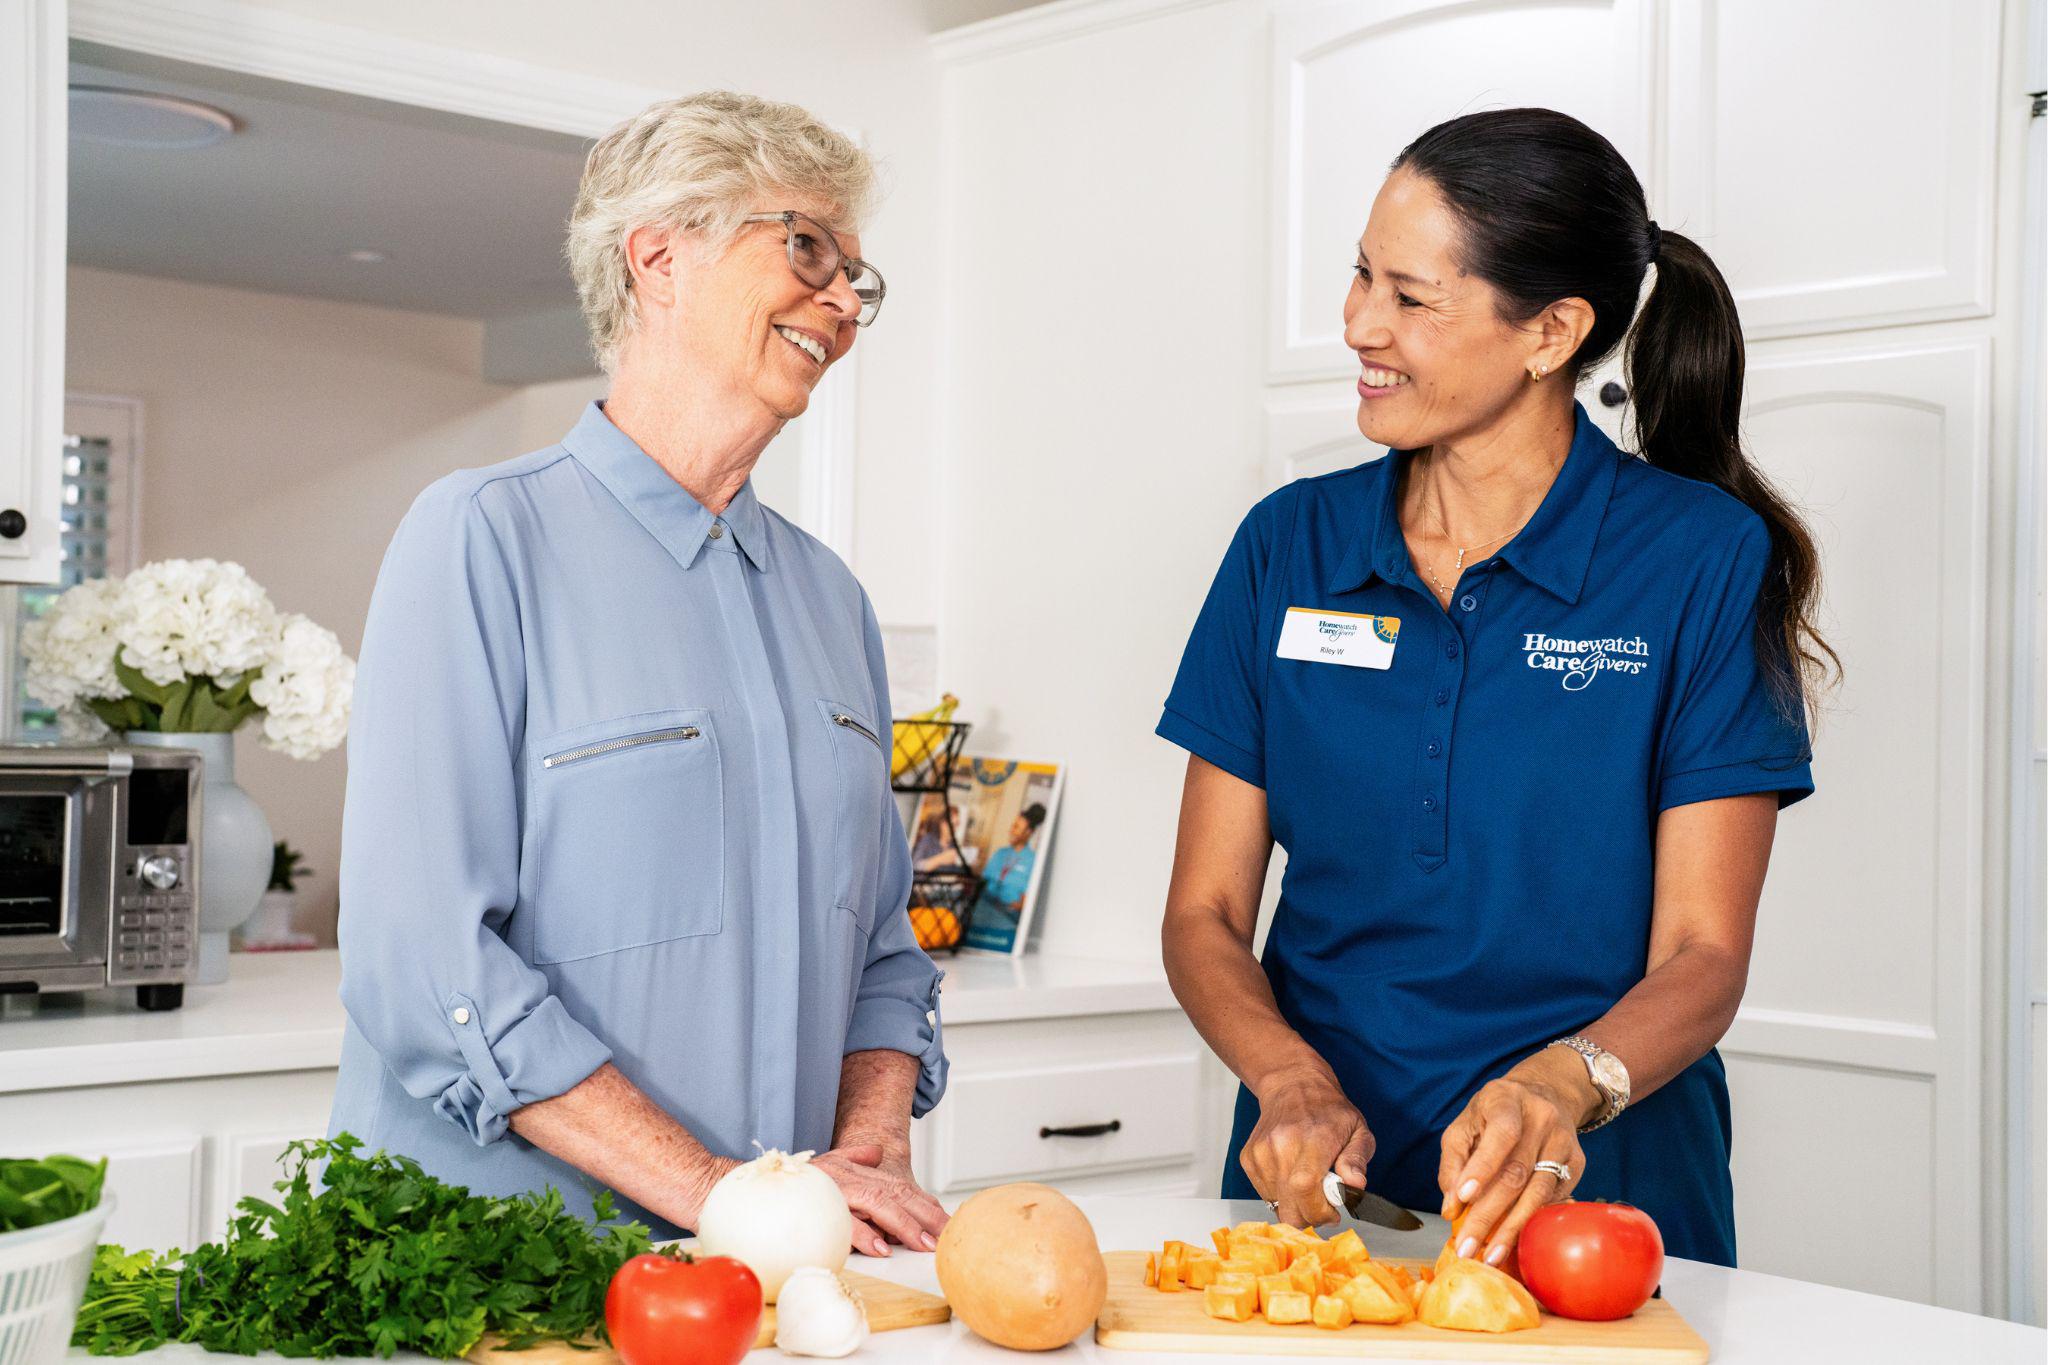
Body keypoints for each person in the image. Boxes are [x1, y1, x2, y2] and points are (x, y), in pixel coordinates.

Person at [1157, 107, 1833, 1268]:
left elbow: (1701, 954)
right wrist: (1286, 1080)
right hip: (1322, 1185)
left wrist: (1559, 1088)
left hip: (1599, 1197)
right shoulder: (1286, 545)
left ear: (1550, 332)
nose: (1357, 323)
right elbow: (1204, 915)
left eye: (1410, 299)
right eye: (1359, 275)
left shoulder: (1698, 557)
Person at [329, 91, 948, 1255]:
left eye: (856, 279)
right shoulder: (479, 537)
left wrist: (862, 1160)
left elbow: (882, 953)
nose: (840, 302)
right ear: (658, 258)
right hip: (498, 1277)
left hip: (768, 1271)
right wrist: (713, 1187)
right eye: (805, 247)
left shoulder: (832, 601)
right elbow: (425, 962)